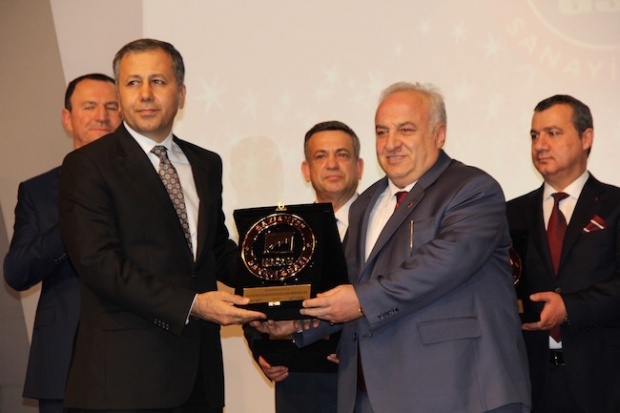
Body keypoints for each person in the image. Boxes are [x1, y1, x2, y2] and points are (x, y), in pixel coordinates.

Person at [58, 38, 265, 413]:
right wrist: (194, 305)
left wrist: (281, 281)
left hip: (200, 379)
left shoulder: (206, 163)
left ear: (181, 94)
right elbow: (98, 263)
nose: (145, 94)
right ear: (119, 94)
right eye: (133, 83)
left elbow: (215, 251)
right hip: (125, 383)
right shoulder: (88, 165)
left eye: (158, 81)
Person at [298, 82, 531, 413]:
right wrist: (295, 320)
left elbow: (438, 267)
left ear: (439, 134)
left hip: (457, 391)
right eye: (382, 132)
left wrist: (360, 301)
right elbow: (348, 284)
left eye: (405, 130)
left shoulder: (473, 190)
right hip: (368, 395)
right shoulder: (365, 203)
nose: (391, 143)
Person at [3, 73, 121, 413]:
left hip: (138, 359)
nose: (102, 115)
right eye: (90, 106)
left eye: (111, 106)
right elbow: (17, 272)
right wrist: (72, 222)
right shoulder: (38, 191)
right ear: (67, 119)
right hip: (62, 362)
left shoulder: (147, 184)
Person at [506, 95, 620, 413]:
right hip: (531, 382)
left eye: (553, 133)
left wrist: (569, 307)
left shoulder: (614, 206)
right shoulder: (509, 213)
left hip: (605, 381)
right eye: (534, 135)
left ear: (586, 138)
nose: (540, 145)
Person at [245, 121, 364, 413]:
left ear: (359, 167)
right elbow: (256, 299)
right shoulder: (281, 232)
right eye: (321, 156)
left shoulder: (384, 226)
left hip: (364, 384)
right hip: (297, 386)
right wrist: (262, 350)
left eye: (342, 154)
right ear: (306, 170)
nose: (332, 164)